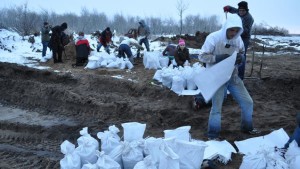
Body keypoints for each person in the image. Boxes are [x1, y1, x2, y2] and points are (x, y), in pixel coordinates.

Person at [197, 14, 259, 140]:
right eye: (231, 30)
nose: (234, 33)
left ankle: (247, 127)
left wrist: (241, 58)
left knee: (248, 102)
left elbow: (241, 53)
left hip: (232, 76)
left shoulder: (238, 40)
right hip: (217, 77)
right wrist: (217, 58)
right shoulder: (213, 38)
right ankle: (213, 135)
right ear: (226, 27)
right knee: (217, 108)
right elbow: (201, 56)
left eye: (237, 31)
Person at [224, 1, 254, 80]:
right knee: (229, 52)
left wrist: (237, 30)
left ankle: (240, 77)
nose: (241, 12)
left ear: (246, 10)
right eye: (240, 10)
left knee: (241, 56)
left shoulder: (249, 18)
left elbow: (246, 31)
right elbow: (232, 9)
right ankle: (228, 74)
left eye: (243, 11)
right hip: (235, 35)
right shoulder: (238, 11)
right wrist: (228, 8)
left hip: (244, 37)